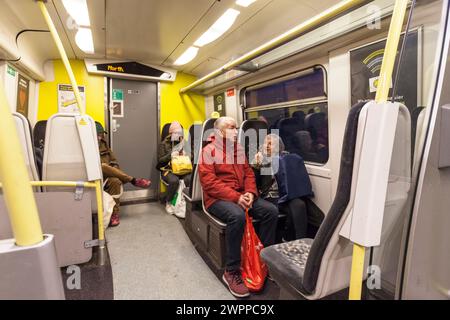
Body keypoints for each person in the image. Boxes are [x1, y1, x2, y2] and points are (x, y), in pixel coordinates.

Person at [199, 116, 278, 298]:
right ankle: (232, 271)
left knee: (271, 211)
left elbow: (249, 173)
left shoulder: (239, 149)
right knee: (237, 216)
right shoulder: (208, 151)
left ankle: (264, 261)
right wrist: (236, 197)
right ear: (219, 132)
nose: (236, 131)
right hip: (217, 199)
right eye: (232, 128)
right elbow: (209, 183)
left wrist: (250, 192)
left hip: (242, 194)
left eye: (236, 127)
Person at [252, 134, 309, 241]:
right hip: (269, 195)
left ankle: (299, 241)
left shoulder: (287, 159)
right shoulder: (259, 160)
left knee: (299, 205)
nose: (267, 146)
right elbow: (253, 182)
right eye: (265, 143)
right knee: (275, 210)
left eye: (271, 144)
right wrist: (256, 166)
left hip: (286, 195)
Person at [96, 122, 151, 227]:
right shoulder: (87, 148)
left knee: (116, 182)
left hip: (108, 177)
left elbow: (114, 162)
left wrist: (115, 170)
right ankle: (133, 180)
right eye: (97, 135)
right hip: (95, 177)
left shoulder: (105, 146)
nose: (100, 137)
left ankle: (114, 214)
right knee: (102, 166)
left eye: (101, 135)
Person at [158, 121, 191, 214]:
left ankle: (186, 201)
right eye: (175, 133)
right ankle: (168, 202)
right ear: (170, 133)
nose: (178, 135)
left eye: (179, 133)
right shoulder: (163, 144)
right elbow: (160, 161)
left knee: (190, 179)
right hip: (168, 170)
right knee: (174, 181)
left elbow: (192, 156)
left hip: (183, 169)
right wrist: (170, 155)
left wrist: (187, 155)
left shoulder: (185, 143)